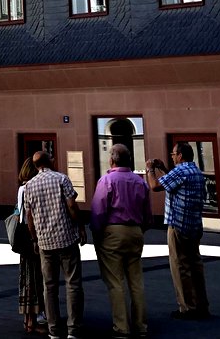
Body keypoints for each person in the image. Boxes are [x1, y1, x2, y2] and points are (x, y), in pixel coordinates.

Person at [91, 144, 151, 339]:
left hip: (113, 232)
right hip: (135, 231)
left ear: (111, 160)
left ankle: (121, 327)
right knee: (136, 281)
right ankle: (141, 325)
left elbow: (99, 211)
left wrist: (97, 233)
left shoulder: (106, 180)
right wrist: (140, 229)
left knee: (115, 281)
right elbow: (148, 215)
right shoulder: (140, 182)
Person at [23, 151, 85, 339]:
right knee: (73, 284)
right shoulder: (62, 179)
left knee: (49, 286)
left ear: (36, 166)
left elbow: (29, 217)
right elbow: (72, 206)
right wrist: (80, 227)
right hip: (66, 238)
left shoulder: (29, 186)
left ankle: (54, 330)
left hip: (45, 242)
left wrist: (35, 239)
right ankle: (74, 329)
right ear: (49, 161)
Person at [146, 142, 210, 320]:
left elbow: (155, 186)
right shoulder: (195, 171)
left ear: (180, 155)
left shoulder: (180, 171)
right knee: (195, 265)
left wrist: (150, 169)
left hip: (178, 224)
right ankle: (201, 305)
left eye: (173, 154)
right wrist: (164, 169)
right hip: (194, 224)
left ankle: (187, 307)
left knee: (180, 265)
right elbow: (174, 183)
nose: (172, 156)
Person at [16, 156, 47, 334]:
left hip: (23, 238)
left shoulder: (21, 188)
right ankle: (34, 319)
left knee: (26, 277)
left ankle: (28, 319)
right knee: (35, 278)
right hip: (31, 236)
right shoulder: (31, 187)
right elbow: (30, 215)